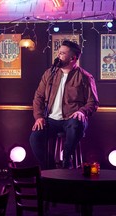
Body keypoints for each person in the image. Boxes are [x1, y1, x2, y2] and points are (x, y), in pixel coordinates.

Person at [29, 40, 99, 170]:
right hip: (51, 120)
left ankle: (67, 161)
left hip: (71, 119)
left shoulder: (85, 77)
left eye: (62, 53)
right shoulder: (49, 74)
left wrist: (82, 112)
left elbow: (93, 102)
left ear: (73, 58)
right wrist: (39, 116)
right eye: (59, 52)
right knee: (35, 138)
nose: (58, 55)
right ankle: (49, 169)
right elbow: (38, 97)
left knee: (75, 125)